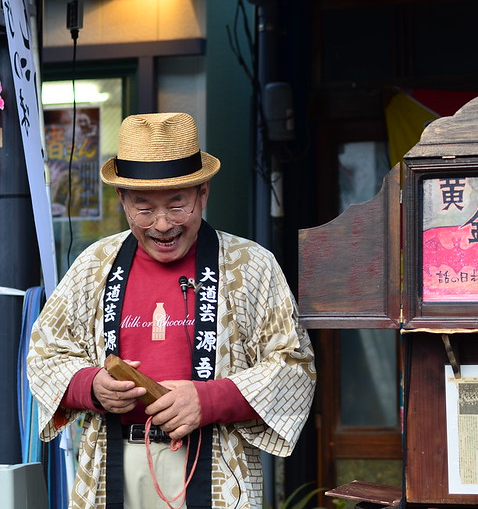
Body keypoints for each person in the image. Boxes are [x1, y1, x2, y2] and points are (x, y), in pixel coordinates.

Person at [27, 112, 316, 509]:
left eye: (177, 205)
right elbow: (44, 354)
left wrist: (209, 399)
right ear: (122, 201)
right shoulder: (95, 264)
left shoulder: (251, 265)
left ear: (203, 193)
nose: (162, 225)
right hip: (114, 464)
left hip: (216, 465)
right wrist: (91, 386)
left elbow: (294, 365)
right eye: (144, 209)